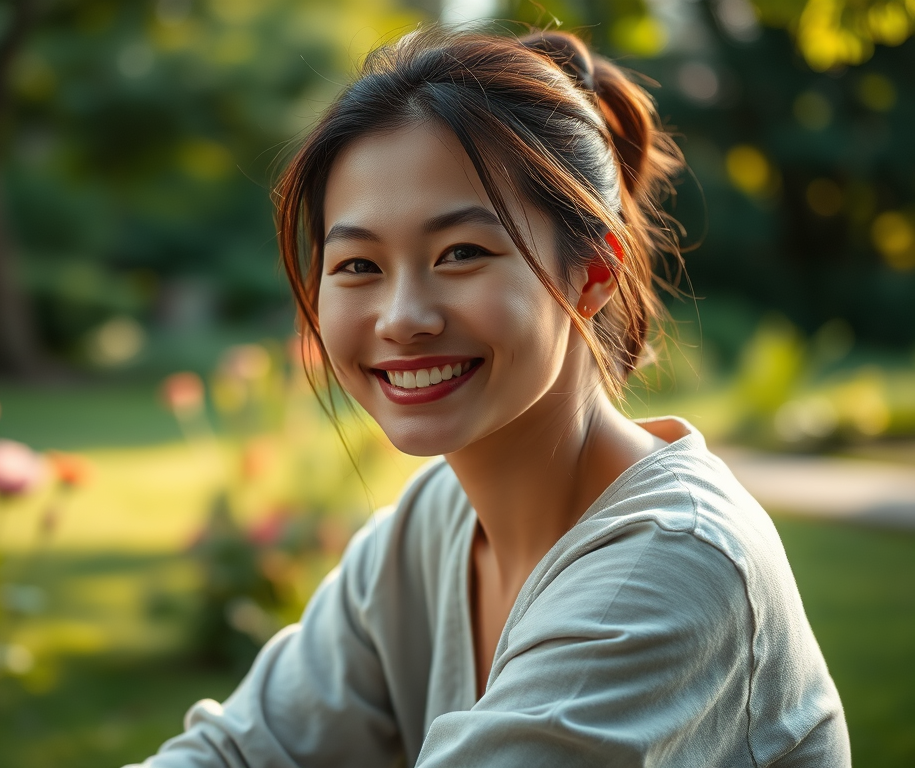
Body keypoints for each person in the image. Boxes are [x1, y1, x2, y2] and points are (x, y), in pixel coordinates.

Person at [129, 26, 849, 767]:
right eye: (357, 265)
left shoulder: (670, 571)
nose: (403, 317)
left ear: (595, 273)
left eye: (462, 253)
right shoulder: (431, 524)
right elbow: (243, 750)